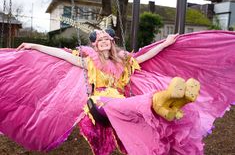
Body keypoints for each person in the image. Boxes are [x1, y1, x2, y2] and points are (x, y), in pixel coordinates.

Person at [0, 29, 235, 155]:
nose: (102, 41)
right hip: (99, 104)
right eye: (98, 40)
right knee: (121, 105)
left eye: (106, 38)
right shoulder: (87, 62)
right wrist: (34, 45)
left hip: (121, 104)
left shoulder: (125, 62)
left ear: (112, 42)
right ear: (94, 45)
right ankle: (162, 100)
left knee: (139, 121)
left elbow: (144, 56)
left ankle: (172, 103)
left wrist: (165, 44)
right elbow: (59, 54)